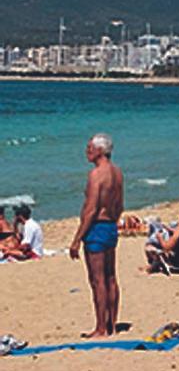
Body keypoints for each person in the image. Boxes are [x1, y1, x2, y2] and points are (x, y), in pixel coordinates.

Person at [69, 133, 124, 338]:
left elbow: (91, 209)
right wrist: (113, 222)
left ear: (100, 151)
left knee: (97, 279)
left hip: (97, 228)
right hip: (110, 226)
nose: (87, 151)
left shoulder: (96, 175)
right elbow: (120, 205)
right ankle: (112, 325)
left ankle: (101, 328)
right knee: (110, 277)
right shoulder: (117, 173)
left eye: (90, 148)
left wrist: (76, 240)